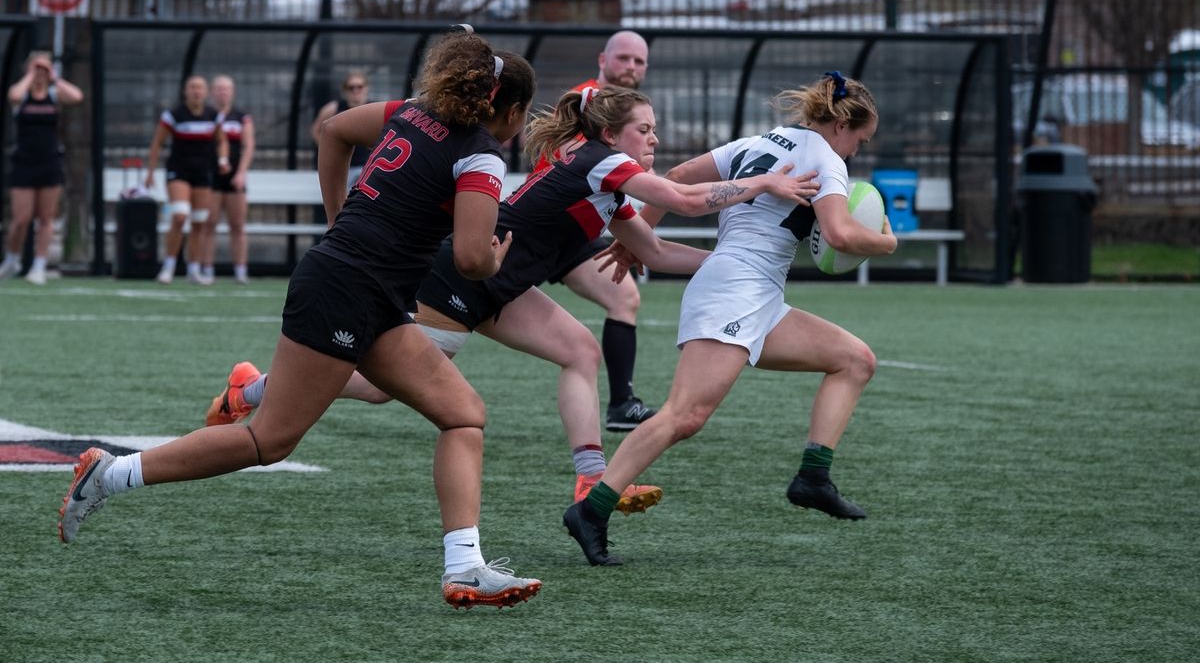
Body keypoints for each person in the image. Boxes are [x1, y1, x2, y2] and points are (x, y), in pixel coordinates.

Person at [59, 29, 545, 609]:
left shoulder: (410, 113)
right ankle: (109, 473)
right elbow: (469, 259)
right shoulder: (481, 154)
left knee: (463, 414)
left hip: (366, 293)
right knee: (270, 441)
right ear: (508, 110)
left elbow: (333, 131)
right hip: (346, 290)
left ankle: (465, 567)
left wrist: (339, 216)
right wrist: (493, 257)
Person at [209, 86, 817, 517]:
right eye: (645, 128)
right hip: (464, 276)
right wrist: (764, 182)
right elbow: (685, 201)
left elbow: (656, 253)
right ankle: (252, 390)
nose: (655, 138)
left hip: (502, 286)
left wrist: (729, 267)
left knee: (580, 348)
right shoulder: (601, 163)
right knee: (376, 385)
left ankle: (590, 481)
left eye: (654, 129)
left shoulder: (613, 185)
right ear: (611, 135)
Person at [563, 71, 898, 566]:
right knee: (685, 415)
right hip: (736, 290)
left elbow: (674, 179)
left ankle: (813, 477)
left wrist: (636, 241)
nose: (854, 154)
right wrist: (888, 240)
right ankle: (592, 509)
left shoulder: (758, 141)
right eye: (858, 142)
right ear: (843, 125)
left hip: (755, 293)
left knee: (855, 360)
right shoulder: (826, 158)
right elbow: (842, 235)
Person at [533, 31, 655, 432]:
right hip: (539, 230)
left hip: (576, 232)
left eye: (639, 62)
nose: (630, 68)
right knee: (425, 359)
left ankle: (622, 404)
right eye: (624, 58)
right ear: (603, 59)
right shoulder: (584, 103)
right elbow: (560, 159)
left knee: (624, 297)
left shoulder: (630, 116)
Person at [0, 51, 84, 284]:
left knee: (46, 217)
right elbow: (14, 95)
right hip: (24, 162)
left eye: (44, 68)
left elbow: (77, 96)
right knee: (21, 219)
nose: (40, 72)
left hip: (49, 162)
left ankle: (39, 265)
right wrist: (29, 74)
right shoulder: (23, 95)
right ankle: (12, 259)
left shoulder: (55, 95)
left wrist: (54, 77)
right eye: (36, 68)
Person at [146, 74, 229, 285]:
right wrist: (150, 172)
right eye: (192, 87)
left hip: (203, 173)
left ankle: (194, 269)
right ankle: (169, 266)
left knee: (200, 221)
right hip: (178, 172)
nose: (196, 91)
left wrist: (223, 159)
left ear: (206, 92)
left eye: (200, 88)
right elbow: (157, 143)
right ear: (186, 91)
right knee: (180, 217)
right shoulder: (174, 115)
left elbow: (222, 141)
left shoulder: (213, 115)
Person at [199, 75, 255, 284]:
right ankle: (207, 268)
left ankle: (240, 270)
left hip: (234, 177)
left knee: (237, 225)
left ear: (232, 92)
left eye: (226, 89)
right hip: (210, 177)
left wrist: (241, 172)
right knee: (209, 223)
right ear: (212, 92)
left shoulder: (241, 117)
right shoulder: (206, 115)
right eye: (219, 89)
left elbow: (248, 146)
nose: (223, 92)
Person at [311, 70, 373, 185]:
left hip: (366, 166)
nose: (356, 91)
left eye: (359, 86)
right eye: (351, 87)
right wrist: (329, 149)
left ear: (366, 88)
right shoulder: (333, 109)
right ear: (345, 90)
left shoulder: (374, 109)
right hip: (341, 166)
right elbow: (316, 130)